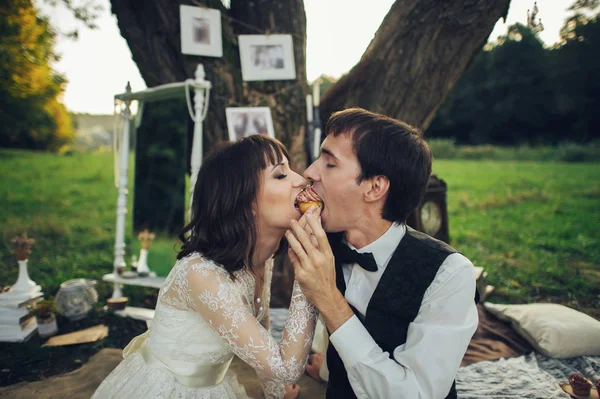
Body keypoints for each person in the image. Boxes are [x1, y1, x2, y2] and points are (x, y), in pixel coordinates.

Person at [93, 135, 318, 399]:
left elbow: (262, 331)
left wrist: (276, 393)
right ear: (246, 203)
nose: (301, 180)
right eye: (280, 175)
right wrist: (310, 271)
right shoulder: (202, 273)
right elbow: (287, 367)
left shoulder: (257, 260)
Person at [286, 108, 479, 399]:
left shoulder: (450, 275)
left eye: (329, 163)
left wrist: (328, 298)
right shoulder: (323, 245)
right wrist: (327, 370)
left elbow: (416, 395)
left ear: (375, 187)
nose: (310, 172)